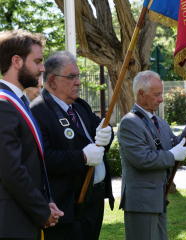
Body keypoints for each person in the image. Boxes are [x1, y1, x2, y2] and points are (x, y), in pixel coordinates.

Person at [30, 51, 114, 240]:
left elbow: (101, 132)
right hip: (67, 204)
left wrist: (107, 134)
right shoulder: (38, 110)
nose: (78, 82)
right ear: (52, 81)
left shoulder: (80, 105)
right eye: (71, 77)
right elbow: (44, 159)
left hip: (93, 200)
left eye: (78, 76)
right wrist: (82, 157)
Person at [117, 70, 186, 240]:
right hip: (141, 202)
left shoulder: (159, 121)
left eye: (161, 94)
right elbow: (142, 159)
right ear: (141, 94)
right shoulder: (130, 122)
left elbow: (174, 145)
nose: (161, 99)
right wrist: (172, 155)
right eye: (157, 95)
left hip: (158, 199)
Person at [0, 29, 64, 240]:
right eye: (37, 61)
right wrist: (41, 210)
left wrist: (45, 200)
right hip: (12, 221)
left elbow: (30, 161)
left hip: (24, 215)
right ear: (16, 61)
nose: (42, 68)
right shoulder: (3, 105)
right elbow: (11, 170)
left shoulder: (19, 102)